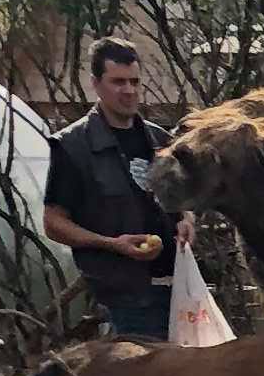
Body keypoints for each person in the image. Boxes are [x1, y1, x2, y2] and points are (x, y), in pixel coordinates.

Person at [41, 40, 176, 343]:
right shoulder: (72, 146)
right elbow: (53, 222)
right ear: (95, 84)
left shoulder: (161, 140)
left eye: (134, 82)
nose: (128, 90)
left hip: (179, 288)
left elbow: (181, 202)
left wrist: (188, 220)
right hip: (123, 297)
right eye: (118, 82)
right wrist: (112, 244)